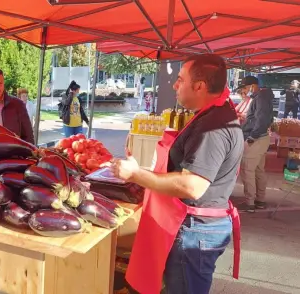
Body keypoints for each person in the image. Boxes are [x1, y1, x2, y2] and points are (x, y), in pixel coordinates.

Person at [110, 54, 242, 294]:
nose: (175, 85)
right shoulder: (213, 114)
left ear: (199, 86)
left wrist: (136, 174)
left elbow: (192, 186)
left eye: (180, 79)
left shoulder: (213, 127)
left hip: (196, 231)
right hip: (198, 227)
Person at [239, 75, 275, 212]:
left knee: (247, 169)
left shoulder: (260, 98)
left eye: (246, 88)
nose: (245, 91)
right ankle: (260, 200)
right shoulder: (262, 97)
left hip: (257, 139)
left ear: (252, 86)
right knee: (259, 170)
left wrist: (251, 137)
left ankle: (250, 203)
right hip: (261, 137)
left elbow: (261, 120)